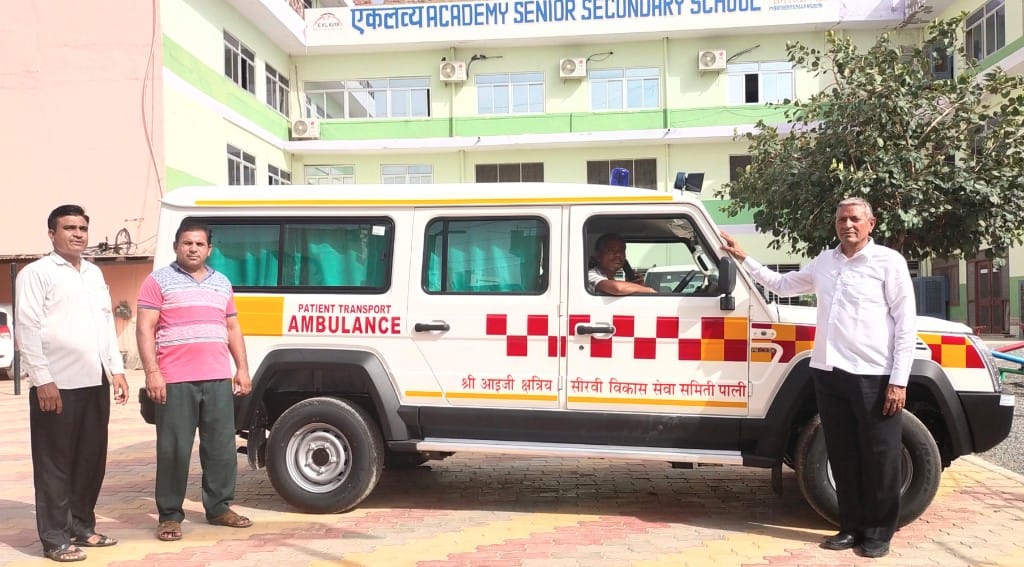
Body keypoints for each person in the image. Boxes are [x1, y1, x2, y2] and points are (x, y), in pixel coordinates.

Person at [720, 197, 915, 559]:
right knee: (842, 454)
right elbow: (782, 284)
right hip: (829, 373)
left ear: (871, 224)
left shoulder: (889, 262)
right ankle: (850, 527)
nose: (847, 225)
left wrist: (899, 380)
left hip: (874, 375)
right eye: (841, 219)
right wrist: (744, 257)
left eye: (854, 219)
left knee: (880, 458)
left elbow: (906, 325)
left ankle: (878, 533)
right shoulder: (826, 261)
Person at [15, 204, 130, 563]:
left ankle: (81, 526)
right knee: (55, 465)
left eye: (82, 228)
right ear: (52, 234)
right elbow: (27, 327)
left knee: (90, 461)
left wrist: (116, 369)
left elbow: (105, 325)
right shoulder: (36, 274)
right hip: (57, 384)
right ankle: (54, 538)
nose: (78, 234)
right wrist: (42, 379)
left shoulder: (94, 273)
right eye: (69, 228)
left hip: (94, 381)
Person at [136, 219, 253, 543]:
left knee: (221, 448)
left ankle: (219, 508)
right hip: (175, 380)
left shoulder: (222, 283)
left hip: (217, 377)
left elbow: (232, 328)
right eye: (187, 243)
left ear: (209, 249)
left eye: (199, 244)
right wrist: (152, 372)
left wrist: (242, 368)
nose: (193, 249)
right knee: (173, 450)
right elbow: (145, 328)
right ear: (176, 246)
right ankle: (170, 516)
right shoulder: (157, 281)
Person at [587, 233, 656, 295]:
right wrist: (648, 290)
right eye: (611, 250)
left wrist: (637, 286)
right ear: (598, 255)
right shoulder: (590, 275)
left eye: (621, 250)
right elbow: (617, 288)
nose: (618, 254)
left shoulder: (612, 279)